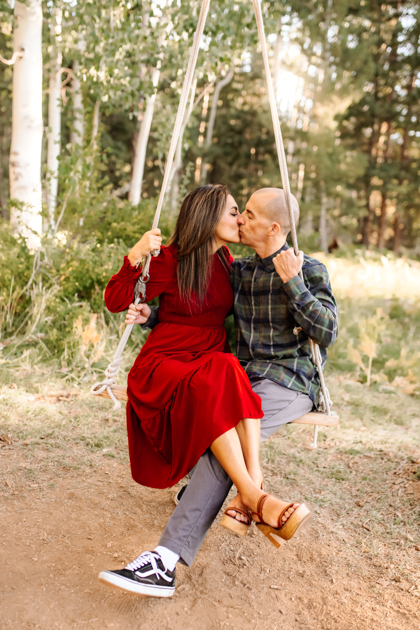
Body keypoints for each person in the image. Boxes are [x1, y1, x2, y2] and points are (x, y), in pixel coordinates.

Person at [98, 185, 311, 598]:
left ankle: (252, 493)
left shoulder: (226, 261)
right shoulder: (170, 260)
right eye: (234, 212)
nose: (239, 220)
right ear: (209, 217)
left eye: (242, 213)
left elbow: (200, 310)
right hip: (167, 362)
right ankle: (254, 494)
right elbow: (115, 299)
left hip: (208, 359)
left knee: (226, 367)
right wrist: (136, 254)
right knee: (222, 369)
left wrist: (296, 280)